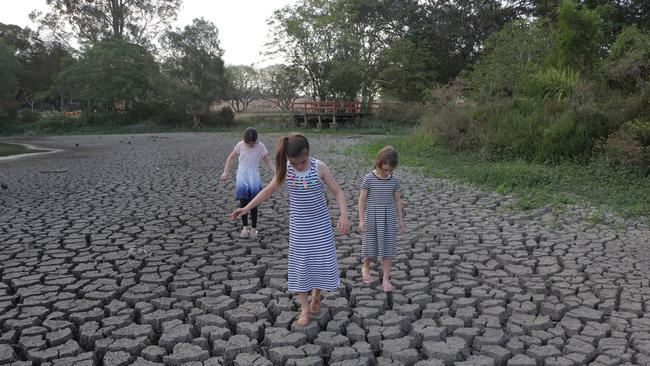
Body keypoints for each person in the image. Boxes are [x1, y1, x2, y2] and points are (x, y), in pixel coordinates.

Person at [231, 133, 350, 326]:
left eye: (302, 162)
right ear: (288, 158)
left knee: (319, 263)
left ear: (308, 153)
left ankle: (316, 296)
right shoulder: (286, 169)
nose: (299, 166)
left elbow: (338, 192)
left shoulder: (319, 167)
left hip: (320, 226)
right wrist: (247, 208)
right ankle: (304, 310)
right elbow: (268, 190)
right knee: (300, 266)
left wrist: (344, 215)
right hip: (299, 227)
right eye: (295, 163)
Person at [358, 146, 405, 292]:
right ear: (377, 162)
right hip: (372, 215)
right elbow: (362, 201)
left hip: (388, 216)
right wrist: (361, 220)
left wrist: (401, 220)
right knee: (369, 246)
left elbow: (397, 201)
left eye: (391, 170)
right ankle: (366, 268)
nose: (387, 173)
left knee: (388, 248)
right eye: (384, 169)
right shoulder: (369, 178)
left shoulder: (394, 181)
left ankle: (385, 279)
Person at [221, 127, 274, 239]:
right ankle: (245, 227)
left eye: (253, 143)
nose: (251, 145)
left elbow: (268, 161)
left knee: (254, 203)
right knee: (243, 203)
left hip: (254, 176)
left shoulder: (261, 146)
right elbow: (230, 158)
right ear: (245, 140)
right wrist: (225, 172)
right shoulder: (240, 145)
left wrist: (276, 173)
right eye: (249, 143)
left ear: (256, 140)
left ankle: (254, 228)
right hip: (242, 176)